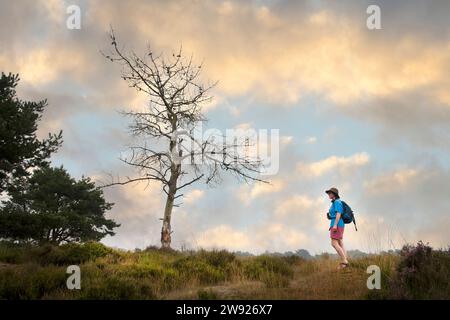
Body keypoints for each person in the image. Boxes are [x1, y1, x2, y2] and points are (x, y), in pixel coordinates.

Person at [325, 187, 349, 269]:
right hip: (337, 223)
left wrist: (335, 225)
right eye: (328, 193)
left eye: (330, 193)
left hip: (337, 224)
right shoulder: (335, 202)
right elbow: (335, 214)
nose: (328, 194)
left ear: (334, 194)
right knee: (340, 243)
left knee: (334, 243)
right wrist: (330, 216)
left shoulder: (337, 202)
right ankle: (344, 263)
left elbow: (339, 213)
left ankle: (344, 261)